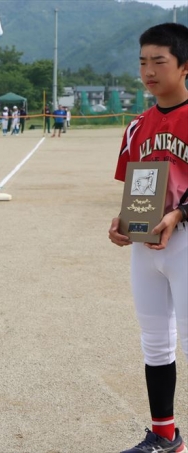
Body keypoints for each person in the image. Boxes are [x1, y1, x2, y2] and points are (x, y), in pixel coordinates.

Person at [108, 22, 188, 453]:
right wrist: (123, 220)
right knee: (155, 343)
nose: (149, 71)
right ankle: (165, 436)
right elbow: (137, 188)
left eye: (159, 61)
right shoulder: (137, 125)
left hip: (186, 242)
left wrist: (179, 212)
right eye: (142, 62)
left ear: (185, 66)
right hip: (147, 246)